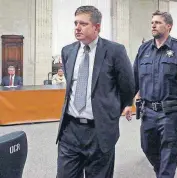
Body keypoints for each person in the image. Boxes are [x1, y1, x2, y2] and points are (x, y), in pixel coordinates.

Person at [55, 6, 135, 178]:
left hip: (99, 132)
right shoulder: (67, 51)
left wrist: (110, 113)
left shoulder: (115, 51)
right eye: (76, 23)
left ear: (97, 27)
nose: (77, 27)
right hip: (70, 130)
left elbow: (128, 88)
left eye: (83, 24)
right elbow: (71, 87)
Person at [127, 10, 177, 178]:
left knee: (170, 151)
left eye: (158, 22)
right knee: (147, 147)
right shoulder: (144, 49)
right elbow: (135, 79)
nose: (153, 25)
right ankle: (162, 173)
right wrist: (126, 102)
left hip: (172, 112)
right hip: (148, 112)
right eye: (152, 22)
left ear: (169, 26)